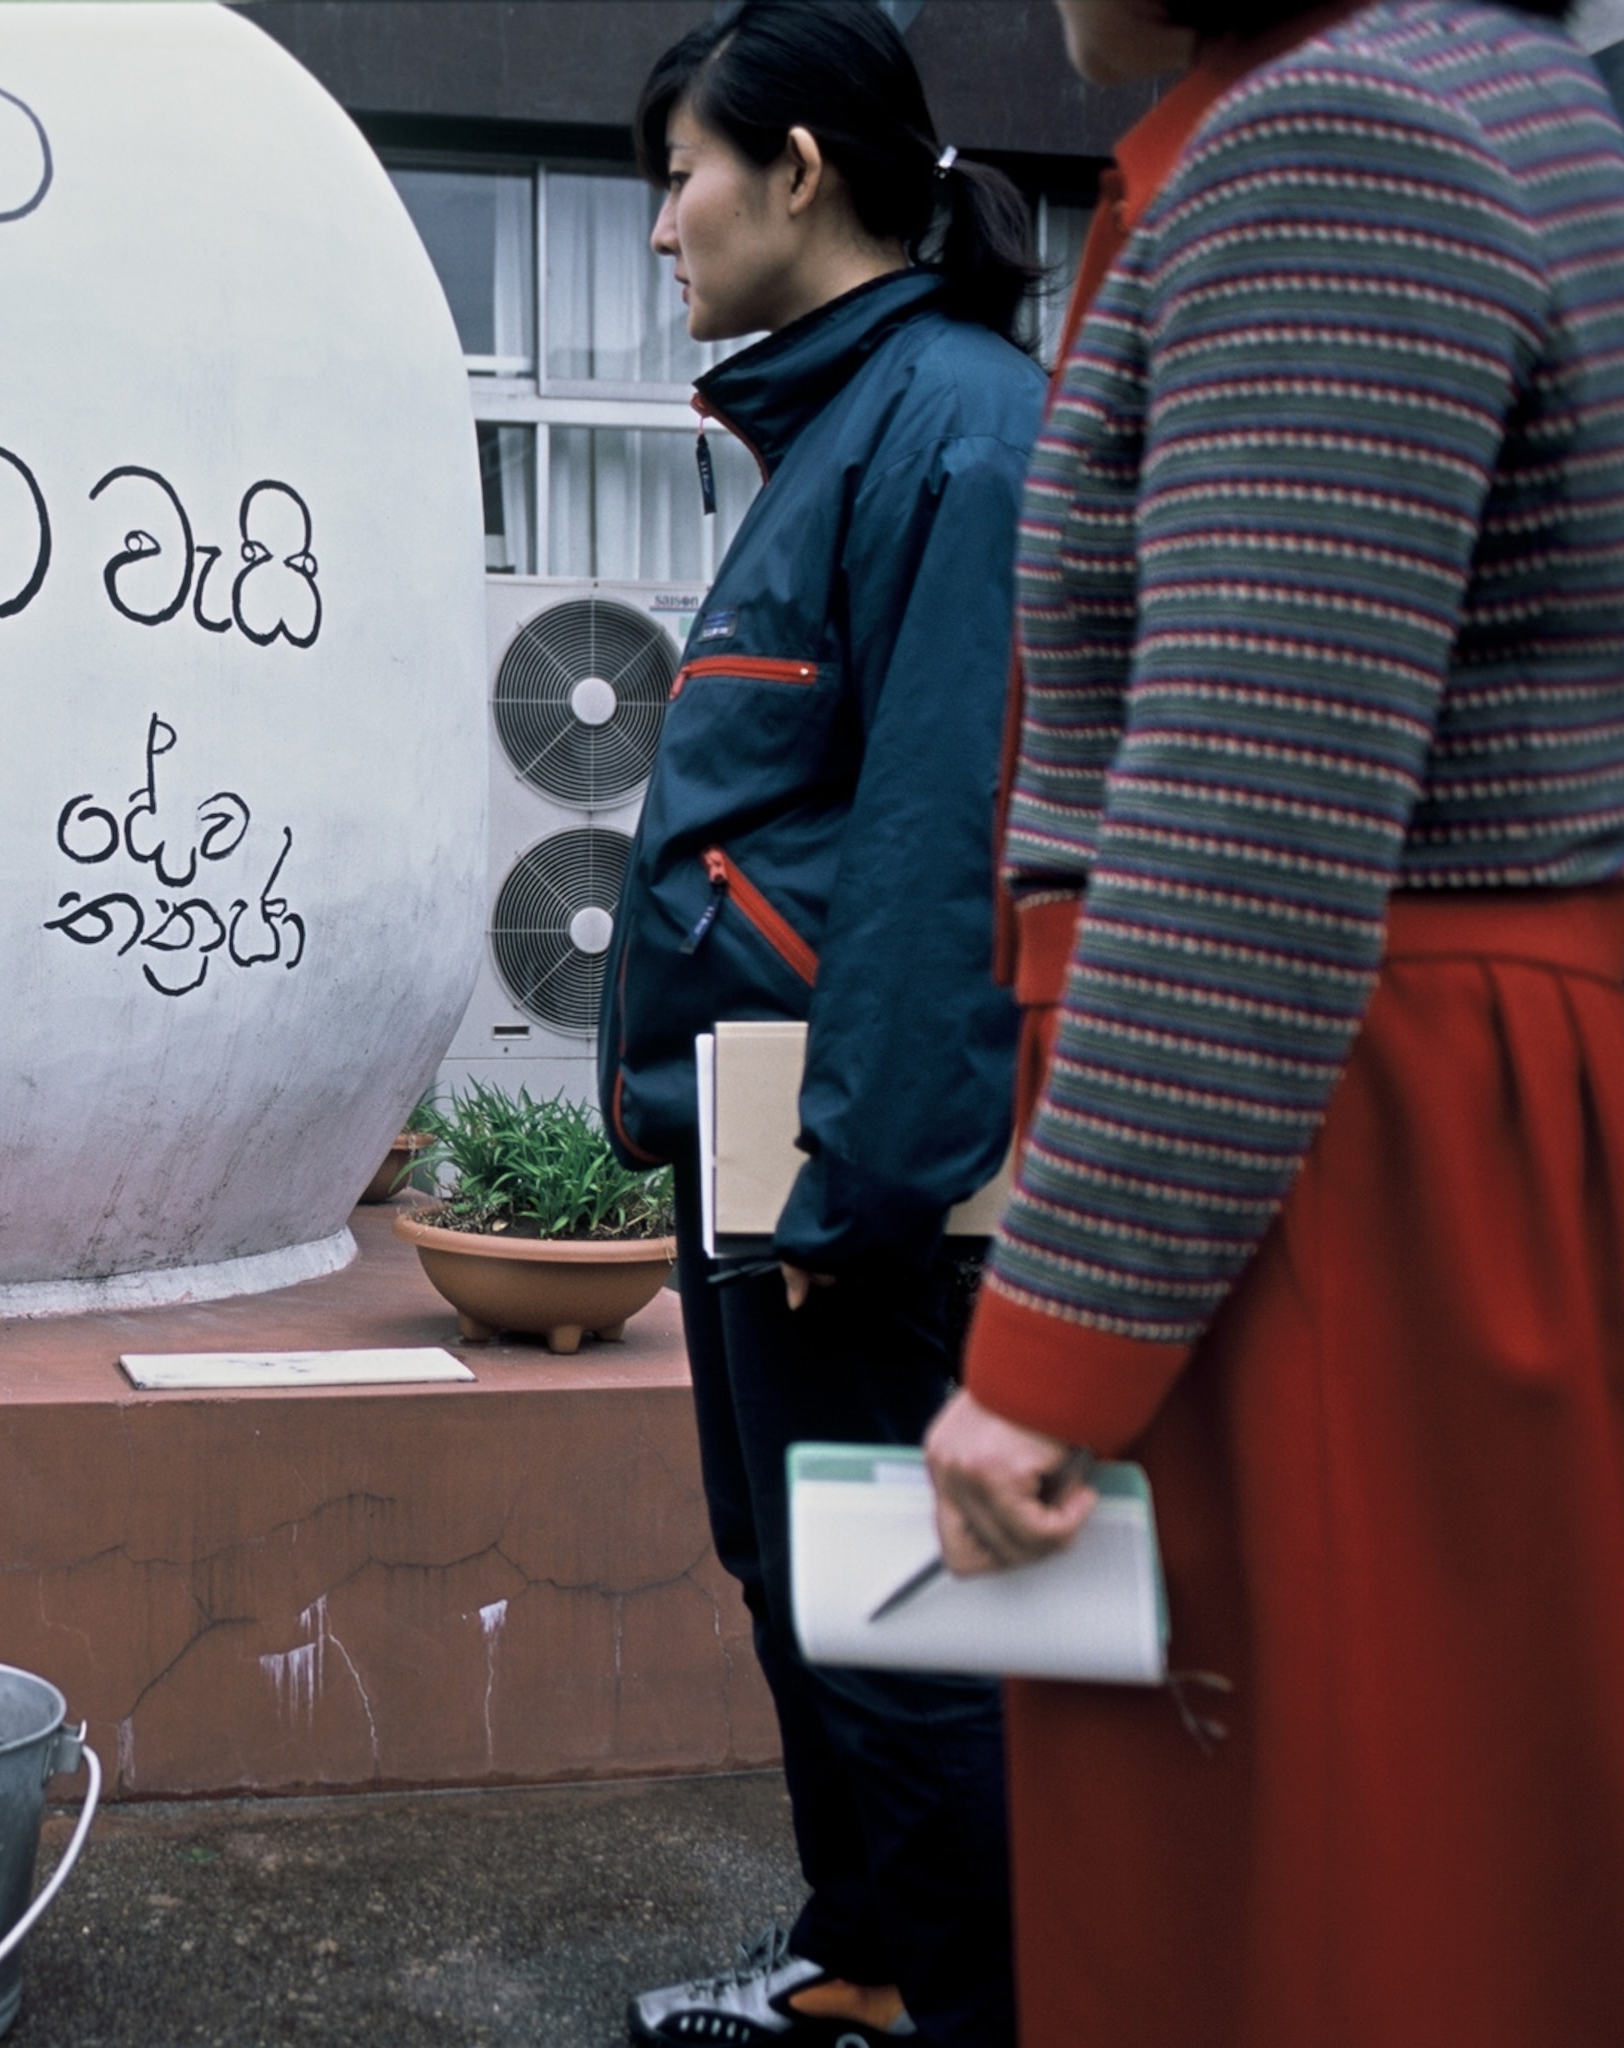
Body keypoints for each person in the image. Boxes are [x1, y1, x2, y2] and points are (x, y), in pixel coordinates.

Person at [919, 0, 1624, 2042]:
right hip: (1384, 1106)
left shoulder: (1336, 136)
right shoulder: (1485, 98)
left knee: (1311, 1919)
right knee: (1463, 1878)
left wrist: (1053, 1353)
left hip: (1324, 1138)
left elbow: (1245, 809)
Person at [592, 5, 1048, 2042]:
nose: (664, 225)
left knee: (919, 1636)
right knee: (800, 1586)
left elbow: (951, 834)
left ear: (800, 169)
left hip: (859, 1172)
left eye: (681, 173)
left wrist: (862, 1184)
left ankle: (977, 2005)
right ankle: (860, 1964)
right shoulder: (849, 424)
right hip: (766, 1141)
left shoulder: (954, 426)